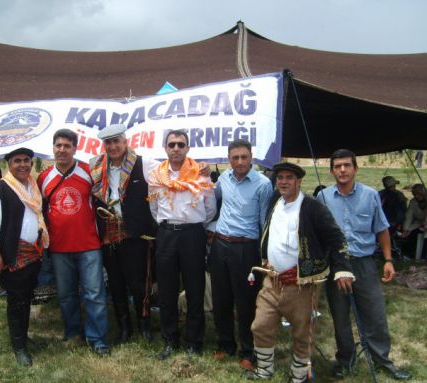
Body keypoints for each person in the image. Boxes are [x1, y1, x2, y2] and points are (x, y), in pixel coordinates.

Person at [247, 162, 353, 382]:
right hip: (272, 281)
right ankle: (264, 370)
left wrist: (342, 269)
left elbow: (337, 239)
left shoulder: (312, 207)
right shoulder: (275, 201)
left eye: (288, 178)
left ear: (298, 181)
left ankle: (299, 375)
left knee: (302, 333)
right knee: (260, 326)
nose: (283, 182)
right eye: (280, 178)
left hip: (302, 284)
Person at [318, 149, 412, 380]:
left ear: (355, 168)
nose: (342, 170)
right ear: (331, 171)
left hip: (364, 263)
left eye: (347, 165)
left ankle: (382, 360)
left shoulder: (370, 195)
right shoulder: (323, 198)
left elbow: (381, 229)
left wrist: (389, 260)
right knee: (340, 316)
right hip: (336, 265)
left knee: (375, 313)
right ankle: (345, 359)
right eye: (337, 166)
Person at [37, 128, 110, 355]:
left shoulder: (89, 173)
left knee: (94, 294)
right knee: (66, 295)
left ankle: (97, 339)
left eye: (67, 146)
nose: (62, 150)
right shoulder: (44, 177)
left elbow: (103, 204)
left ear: (75, 149)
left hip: (89, 245)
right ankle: (73, 333)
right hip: (59, 248)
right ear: (53, 148)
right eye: (58, 145)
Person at [148, 129, 216, 360]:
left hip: (192, 235)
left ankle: (194, 342)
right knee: (167, 291)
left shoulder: (201, 174)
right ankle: (169, 341)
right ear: (165, 148)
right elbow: (154, 208)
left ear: (187, 148)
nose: (176, 148)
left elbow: (209, 209)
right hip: (167, 234)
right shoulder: (156, 175)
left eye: (180, 144)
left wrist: (192, 225)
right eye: (172, 144)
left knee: (195, 290)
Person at [90, 123, 157, 344]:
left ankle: (145, 327)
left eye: (116, 141)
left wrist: (201, 168)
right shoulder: (96, 167)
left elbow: (171, 172)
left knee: (138, 284)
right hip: (108, 235)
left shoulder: (144, 163)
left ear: (125, 141)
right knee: (116, 284)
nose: (112, 146)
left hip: (135, 235)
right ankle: (124, 328)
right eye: (108, 143)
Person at [210, 139, 272, 371]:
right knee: (221, 298)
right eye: (235, 158)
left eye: (244, 157)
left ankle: (248, 350)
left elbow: (264, 221)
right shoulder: (223, 178)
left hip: (246, 248)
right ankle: (225, 344)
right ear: (229, 159)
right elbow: (210, 202)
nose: (239, 162)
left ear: (251, 157)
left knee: (246, 302)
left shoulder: (263, 184)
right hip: (220, 245)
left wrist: (263, 254)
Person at [0, 147, 48, 367]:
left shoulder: (32, 186)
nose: (23, 165)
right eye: (17, 161)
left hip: (33, 253)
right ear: (8, 164)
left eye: (27, 160)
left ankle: (23, 335)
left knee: (26, 297)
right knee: (16, 300)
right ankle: (18, 347)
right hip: (13, 254)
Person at [402, 183, 426, 260]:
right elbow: (409, 216)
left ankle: (423, 256)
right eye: (414, 194)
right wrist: (406, 229)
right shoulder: (413, 202)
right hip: (419, 222)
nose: (416, 196)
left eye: (418, 194)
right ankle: (410, 254)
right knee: (411, 233)